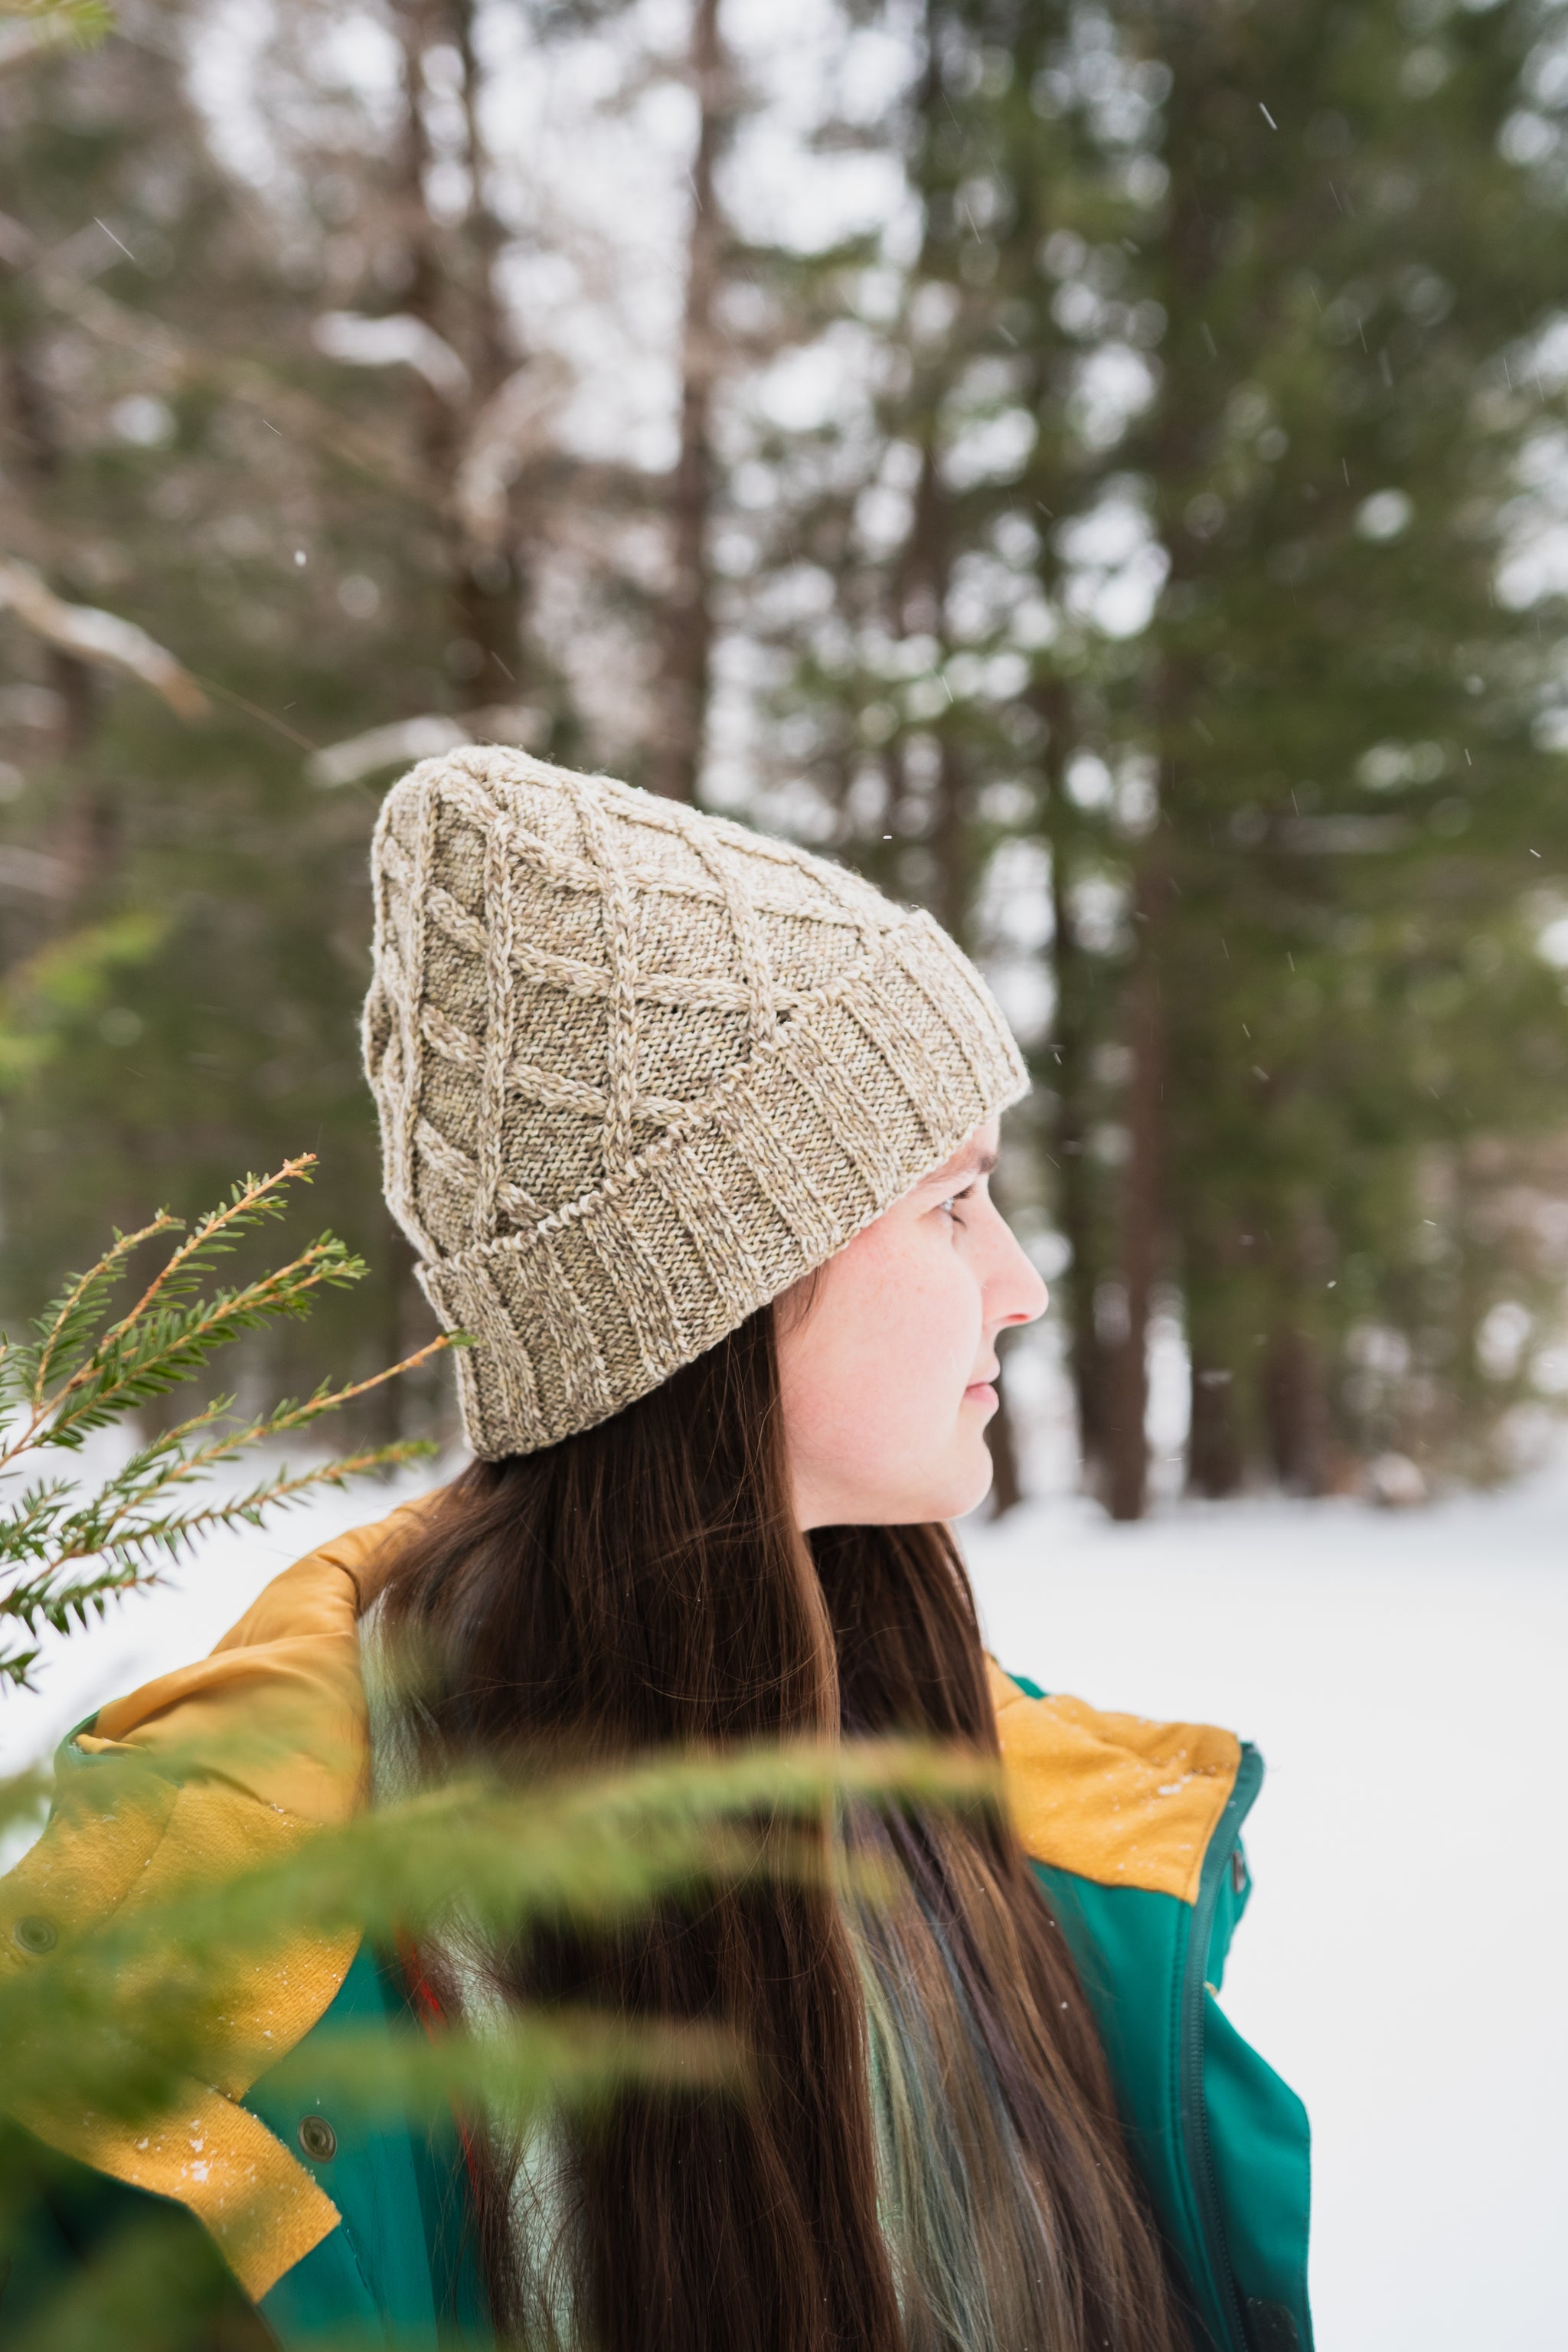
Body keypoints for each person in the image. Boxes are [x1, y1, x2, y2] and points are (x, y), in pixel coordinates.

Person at [0, 751, 1312, 2352]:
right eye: (951, 1202)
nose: (1019, 1282)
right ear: (712, 1289)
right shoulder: (249, 1949)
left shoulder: (1017, 1819)